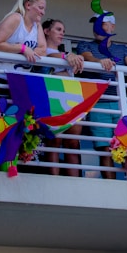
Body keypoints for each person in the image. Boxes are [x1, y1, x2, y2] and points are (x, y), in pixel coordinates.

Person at [77, 12, 127, 179]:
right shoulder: (85, 45)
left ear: (112, 27)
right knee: (104, 148)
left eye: (101, 24)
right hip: (99, 103)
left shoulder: (121, 49)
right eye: (95, 24)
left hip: (119, 104)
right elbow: (87, 57)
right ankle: (111, 184)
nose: (97, 28)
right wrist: (99, 61)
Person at [40, 19, 85, 176]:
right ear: (46, 31)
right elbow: (50, 54)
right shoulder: (42, 50)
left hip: (71, 97)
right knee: (55, 141)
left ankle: (74, 183)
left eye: (63, 31)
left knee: (72, 142)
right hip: (54, 98)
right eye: (58, 29)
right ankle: (54, 180)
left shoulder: (67, 55)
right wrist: (67, 55)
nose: (62, 33)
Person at [0, 0, 47, 74]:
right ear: (28, 5)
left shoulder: (37, 25)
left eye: (44, 9)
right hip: (1, 75)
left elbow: (43, 50)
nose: (43, 13)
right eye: (41, 8)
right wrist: (22, 49)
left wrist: (29, 51)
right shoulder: (16, 18)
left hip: (21, 78)